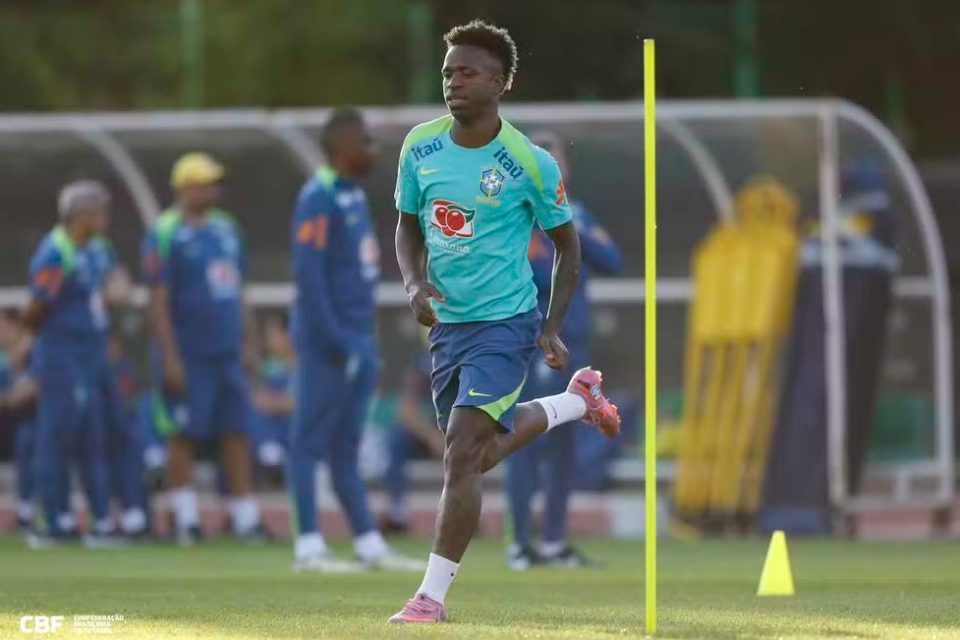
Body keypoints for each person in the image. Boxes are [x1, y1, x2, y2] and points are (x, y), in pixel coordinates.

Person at [390, 21, 620, 623]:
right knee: (478, 453)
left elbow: (569, 248)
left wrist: (549, 325)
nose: (454, 82)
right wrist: (414, 284)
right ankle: (575, 402)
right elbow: (407, 225)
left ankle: (430, 599)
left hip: (506, 321)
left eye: (467, 72)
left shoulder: (529, 162)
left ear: (500, 82)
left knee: (462, 455)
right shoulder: (420, 146)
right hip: (448, 327)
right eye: (448, 73)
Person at [288, 107, 422, 572]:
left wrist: (362, 342)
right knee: (307, 442)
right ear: (342, 146)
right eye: (365, 141)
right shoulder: (318, 197)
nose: (372, 149)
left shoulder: (353, 197)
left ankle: (367, 542)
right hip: (328, 344)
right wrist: (339, 341)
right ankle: (308, 546)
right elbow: (310, 281)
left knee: (346, 447)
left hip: (358, 341)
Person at [504, 130, 624, 570]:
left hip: (574, 344)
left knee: (565, 447)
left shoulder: (577, 213)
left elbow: (613, 260)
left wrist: (575, 232)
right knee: (525, 440)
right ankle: (520, 544)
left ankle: (554, 541)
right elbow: (535, 274)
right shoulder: (519, 215)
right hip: (534, 343)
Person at [141, 152, 266, 545]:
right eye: (207, 182)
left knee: (237, 430)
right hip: (188, 353)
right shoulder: (165, 232)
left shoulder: (227, 229)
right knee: (182, 433)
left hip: (227, 351)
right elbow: (158, 301)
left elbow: (238, 290)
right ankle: (187, 519)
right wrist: (171, 357)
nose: (215, 189)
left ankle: (244, 518)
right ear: (185, 187)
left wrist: (250, 342)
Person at [22, 180, 120, 547]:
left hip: (90, 353)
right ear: (82, 216)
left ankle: (100, 522)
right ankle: (55, 519)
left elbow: (110, 283)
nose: (105, 219)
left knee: (93, 435)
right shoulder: (56, 251)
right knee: (57, 434)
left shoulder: (98, 249)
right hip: (62, 354)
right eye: (100, 212)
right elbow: (37, 305)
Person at [380, 350, 445, 533]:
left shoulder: (468, 361)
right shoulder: (424, 367)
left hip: (455, 431)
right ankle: (397, 511)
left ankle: (469, 513)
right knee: (396, 438)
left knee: (471, 443)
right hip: (427, 432)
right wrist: (432, 437)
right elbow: (407, 412)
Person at [249, 314, 294, 477]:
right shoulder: (268, 367)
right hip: (270, 426)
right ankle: (268, 454)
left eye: (273, 334)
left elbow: (297, 403)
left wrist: (275, 402)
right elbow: (256, 398)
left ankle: (273, 453)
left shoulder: (303, 366)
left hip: (290, 429)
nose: (269, 340)